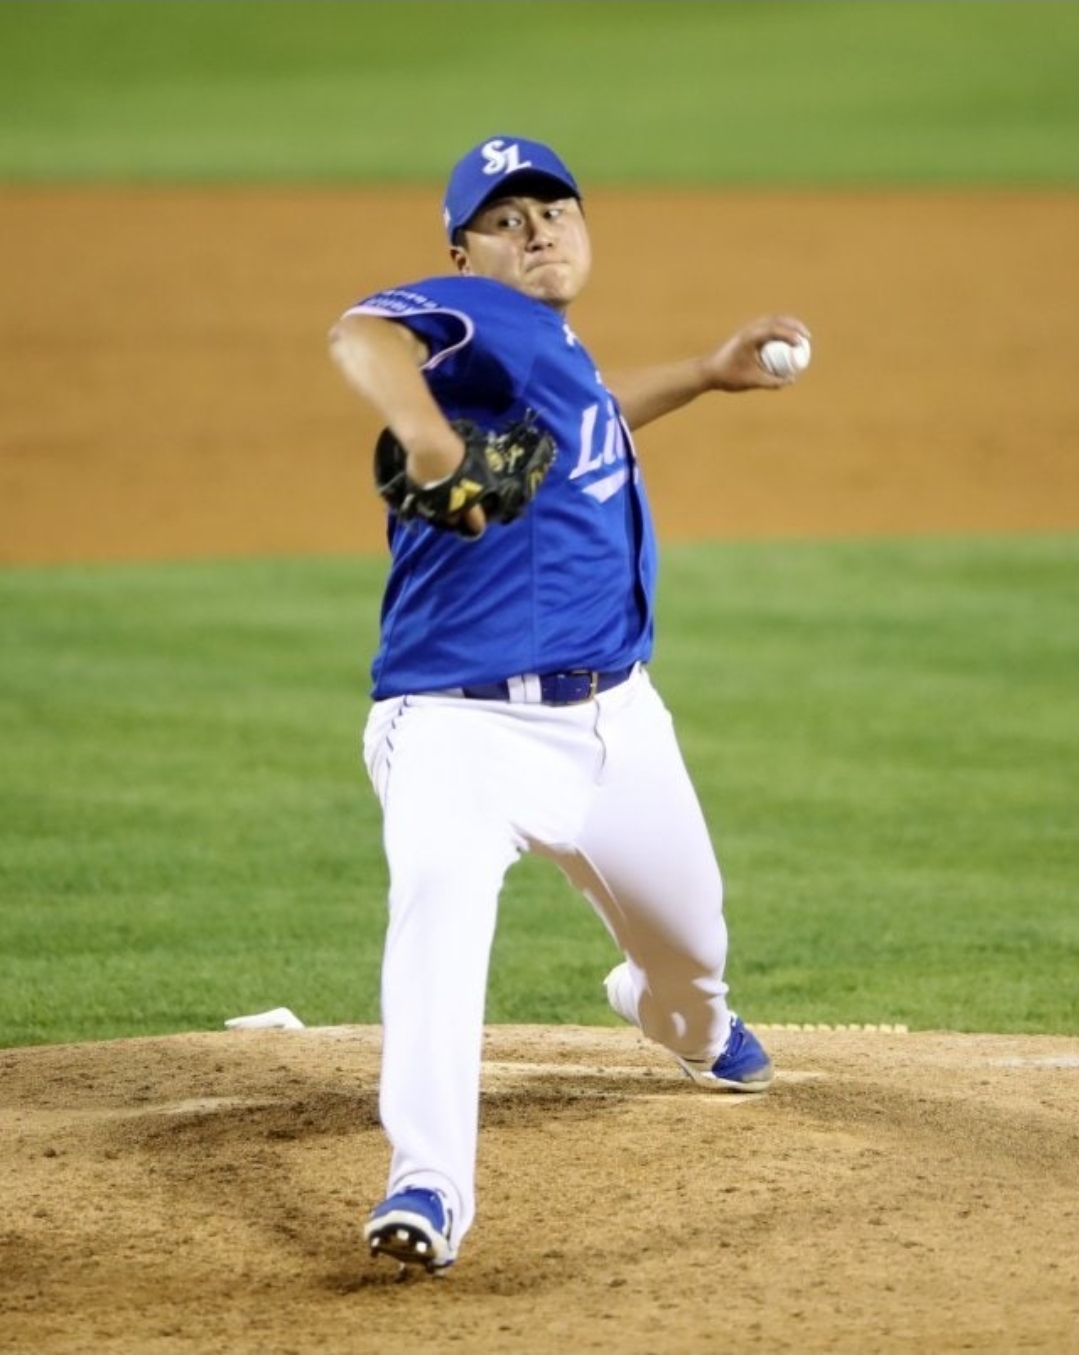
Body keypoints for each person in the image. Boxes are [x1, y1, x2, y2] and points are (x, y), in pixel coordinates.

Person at [328, 134, 811, 1275]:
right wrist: (428, 436)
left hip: (615, 725)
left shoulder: (552, 355)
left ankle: (680, 1021)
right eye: (506, 218)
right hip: (456, 725)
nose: (537, 228)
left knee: (693, 957)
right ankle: (427, 1180)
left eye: (555, 209)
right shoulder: (471, 317)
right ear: (462, 254)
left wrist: (701, 372)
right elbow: (358, 333)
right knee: (440, 915)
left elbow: (594, 415)